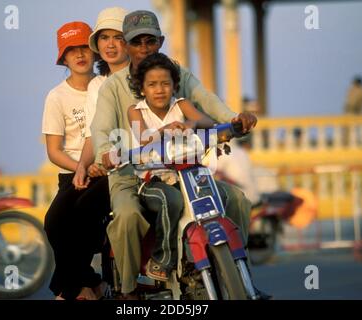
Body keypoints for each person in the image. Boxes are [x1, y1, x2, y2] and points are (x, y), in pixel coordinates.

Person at [90, 10, 262, 299]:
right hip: (133, 175)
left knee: (237, 200)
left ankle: (238, 271)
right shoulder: (113, 88)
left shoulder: (177, 74)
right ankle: (129, 289)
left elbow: (206, 100)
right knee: (127, 216)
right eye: (136, 42)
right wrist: (106, 153)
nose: (144, 48)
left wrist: (234, 121)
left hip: (183, 170)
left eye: (150, 41)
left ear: (161, 41)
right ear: (127, 45)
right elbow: (101, 128)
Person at [127, 52, 219, 281]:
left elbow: (207, 122)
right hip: (151, 181)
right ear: (142, 88)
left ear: (174, 86)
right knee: (172, 200)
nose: (159, 90)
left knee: (218, 198)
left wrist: (191, 123)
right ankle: (162, 259)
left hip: (186, 176)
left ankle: (221, 262)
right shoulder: (136, 111)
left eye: (165, 83)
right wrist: (164, 130)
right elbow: (142, 138)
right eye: (152, 84)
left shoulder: (181, 104)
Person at [41, 21, 110, 300]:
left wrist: (96, 165)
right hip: (72, 175)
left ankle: (72, 290)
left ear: (94, 51)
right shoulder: (56, 96)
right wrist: (80, 167)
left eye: (84, 47)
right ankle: (90, 283)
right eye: (71, 51)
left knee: (81, 219)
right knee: (53, 222)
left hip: (105, 171)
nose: (80, 55)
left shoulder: (106, 85)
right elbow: (54, 151)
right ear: (64, 59)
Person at [73, 7, 129, 189]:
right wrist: (82, 166)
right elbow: (92, 136)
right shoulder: (96, 85)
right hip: (105, 167)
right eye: (104, 38)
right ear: (97, 44)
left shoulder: (146, 78)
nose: (110, 44)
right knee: (59, 215)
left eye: (118, 37)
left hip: (134, 165)